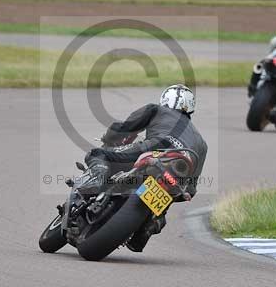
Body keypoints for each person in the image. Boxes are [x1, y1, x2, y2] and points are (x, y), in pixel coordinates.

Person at [84, 84, 208, 252]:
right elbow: (191, 189)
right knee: (167, 200)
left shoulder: (156, 109)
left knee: (97, 154)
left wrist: (109, 139)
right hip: (179, 171)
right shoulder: (201, 143)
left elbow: (125, 128)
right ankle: (150, 224)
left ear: (165, 99)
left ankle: (96, 181)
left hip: (155, 150)